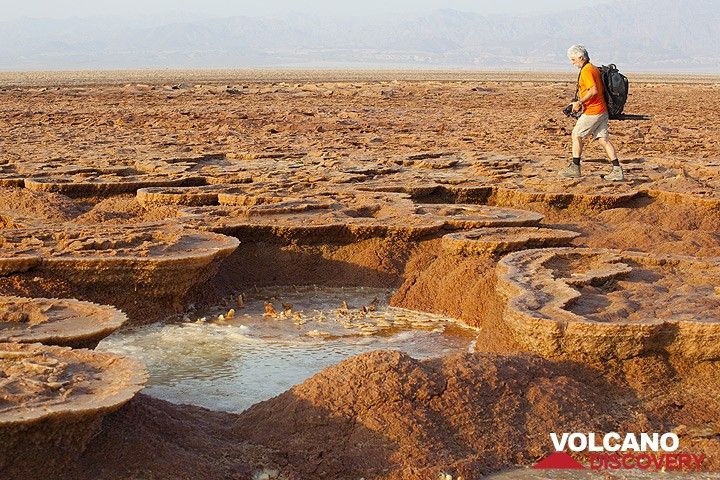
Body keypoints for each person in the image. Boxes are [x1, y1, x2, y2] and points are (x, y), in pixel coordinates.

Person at [560, 45, 624, 181]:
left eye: (573, 60)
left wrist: (579, 102)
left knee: (576, 134)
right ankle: (617, 170)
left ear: (580, 57)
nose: (572, 63)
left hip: (594, 111)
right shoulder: (593, 68)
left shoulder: (587, 71)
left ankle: (575, 168)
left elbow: (593, 90)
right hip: (602, 110)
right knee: (603, 140)